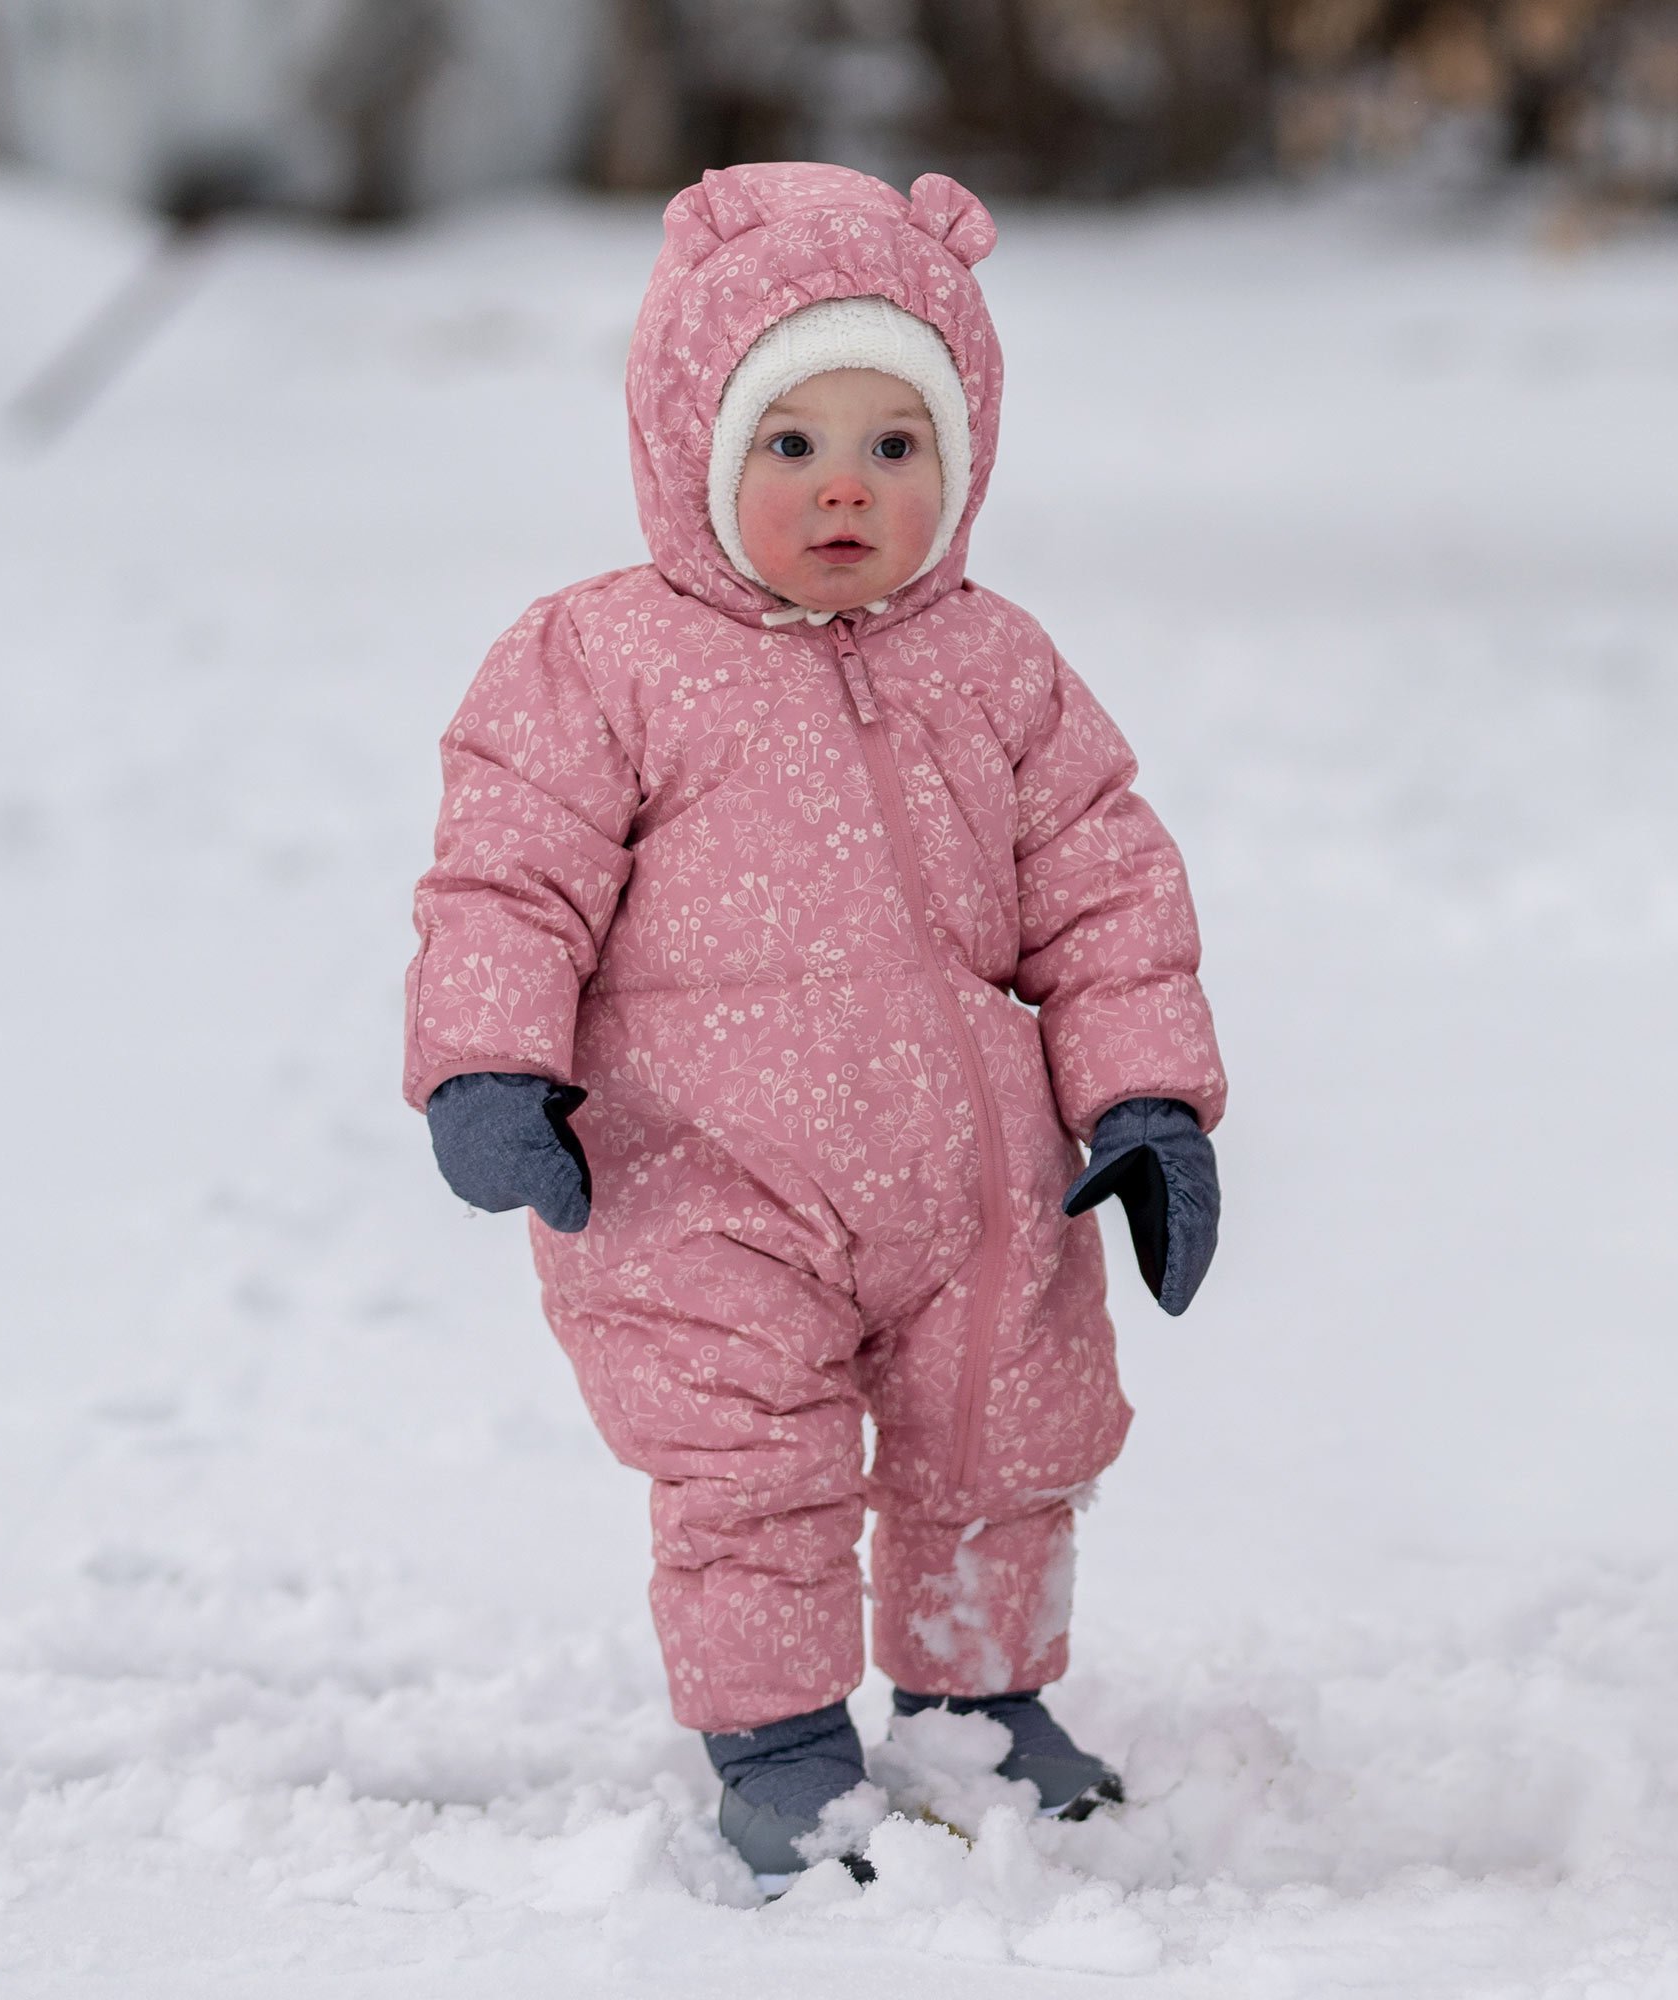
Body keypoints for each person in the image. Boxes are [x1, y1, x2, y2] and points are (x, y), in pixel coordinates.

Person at [403, 161, 1224, 1893]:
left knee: (1006, 1438)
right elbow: (507, 881)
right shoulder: (600, 663)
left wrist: (1147, 1101)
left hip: (979, 1183)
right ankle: (779, 1744)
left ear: (965, 460)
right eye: (791, 443)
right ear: (693, 442)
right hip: (699, 1181)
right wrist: (489, 1063)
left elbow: (1104, 892)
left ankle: (981, 1699)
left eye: (897, 444)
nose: (846, 485)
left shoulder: (1001, 670)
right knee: (748, 1470)